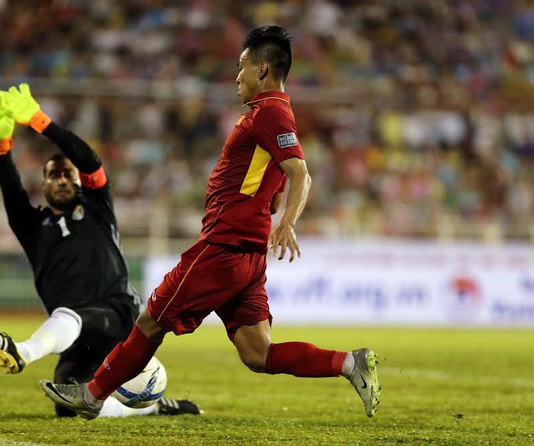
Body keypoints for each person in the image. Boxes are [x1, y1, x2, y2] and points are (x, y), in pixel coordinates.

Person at [39, 25, 381, 419]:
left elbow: (300, 172)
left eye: (242, 67)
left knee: (150, 322)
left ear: (263, 70)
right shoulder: (269, 113)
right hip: (246, 256)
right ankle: (349, 363)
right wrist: (268, 206)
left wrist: (287, 221)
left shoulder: (269, 112)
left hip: (224, 248)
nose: (237, 76)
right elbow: (275, 174)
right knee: (257, 352)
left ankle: (92, 395)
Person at [0, 84, 200, 418]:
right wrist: (2, 148)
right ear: (44, 185)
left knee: (69, 317)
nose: (62, 179)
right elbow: (12, 195)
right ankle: (151, 410)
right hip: (77, 338)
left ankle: (21, 351)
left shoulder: (97, 207)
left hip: (118, 318)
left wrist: (39, 121)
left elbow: (90, 161)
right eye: (53, 175)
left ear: (78, 182)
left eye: (68, 173)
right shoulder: (34, 228)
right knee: (68, 401)